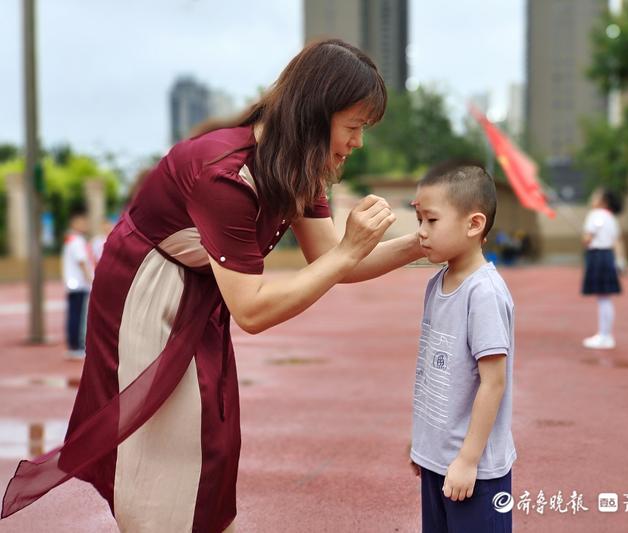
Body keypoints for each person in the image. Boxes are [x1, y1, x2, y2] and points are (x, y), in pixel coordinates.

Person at [1, 39, 424, 531]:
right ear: (315, 115)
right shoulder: (225, 175)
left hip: (200, 290)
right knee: (168, 439)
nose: (358, 143)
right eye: (353, 128)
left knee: (213, 436)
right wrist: (350, 249)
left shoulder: (296, 169)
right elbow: (255, 310)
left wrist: (419, 245)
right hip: (146, 289)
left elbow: (333, 264)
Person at [410, 161, 516, 532]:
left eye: (432, 221)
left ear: (474, 224)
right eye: (419, 220)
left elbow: (493, 382)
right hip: (439, 461)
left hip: (475, 471)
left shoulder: (483, 293)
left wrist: (468, 459)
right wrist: (426, 445)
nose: (421, 233)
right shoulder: (436, 283)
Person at [581, 188, 627, 350]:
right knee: (605, 299)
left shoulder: (595, 215)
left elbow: (587, 239)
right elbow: (617, 241)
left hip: (598, 256)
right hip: (608, 256)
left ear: (603, 200)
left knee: (603, 299)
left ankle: (605, 336)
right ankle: (605, 334)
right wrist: (621, 261)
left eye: (596, 195)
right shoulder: (611, 218)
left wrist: (585, 237)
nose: (592, 197)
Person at [61, 205, 93, 360]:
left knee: (74, 314)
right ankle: (76, 346)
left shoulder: (71, 239)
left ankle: (74, 345)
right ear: (74, 223)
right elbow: (82, 262)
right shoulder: (77, 241)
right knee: (78, 316)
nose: (85, 224)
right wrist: (91, 280)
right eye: (82, 222)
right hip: (78, 283)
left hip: (75, 283)